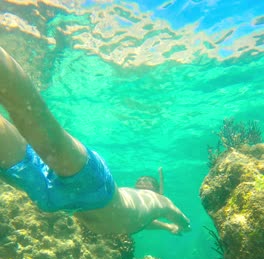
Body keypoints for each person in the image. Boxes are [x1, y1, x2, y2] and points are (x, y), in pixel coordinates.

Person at [0, 47, 190, 236]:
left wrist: (169, 227)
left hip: (61, 199)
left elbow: (146, 222)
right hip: (90, 187)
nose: (143, 186)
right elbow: (176, 215)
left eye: (145, 184)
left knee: (30, 123)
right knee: (34, 119)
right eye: (142, 184)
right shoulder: (158, 203)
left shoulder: (146, 207)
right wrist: (184, 225)